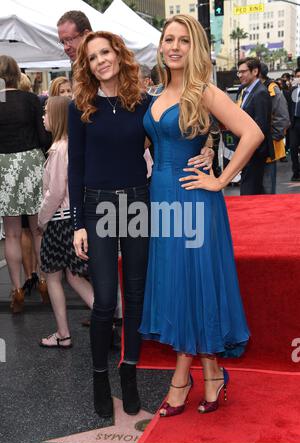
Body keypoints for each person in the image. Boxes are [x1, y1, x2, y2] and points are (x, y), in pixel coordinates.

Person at [68, 31, 213, 419]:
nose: (100, 60)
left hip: (137, 202)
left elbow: (181, 130)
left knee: (135, 297)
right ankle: (100, 377)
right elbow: (75, 167)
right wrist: (78, 223)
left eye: (105, 52)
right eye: (92, 56)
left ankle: (129, 373)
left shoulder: (142, 104)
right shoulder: (79, 105)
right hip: (97, 206)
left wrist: (209, 147)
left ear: (119, 54)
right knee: (103, 300)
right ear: (87, 64)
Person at [139, 15, 263, 417]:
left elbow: (252, 133)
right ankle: (210, 374)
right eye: (168, 39)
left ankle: (183, 378)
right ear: (161, 46)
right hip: (161, 201)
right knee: (179, 284)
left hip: (194, 199)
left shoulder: (203, 90)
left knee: (193, 282)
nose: (174, 46)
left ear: (195, 49)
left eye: (184, 41)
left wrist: (221, 180)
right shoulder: (154, 94)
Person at [38, 96, 94, 348]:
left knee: (52, 275)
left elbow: (56, 191)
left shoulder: (59, 149)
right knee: (73, 275)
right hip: (69, 219)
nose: (42, 117)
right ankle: (112, 316)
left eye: (46, 112)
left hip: (59, 220)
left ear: (58, 117)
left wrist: (41, 218)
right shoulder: (68, 146)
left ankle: (63, 332)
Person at [0, 55, 48, 312]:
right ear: (17, 74)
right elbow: (43, 136)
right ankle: (43, 280)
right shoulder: (31, 100)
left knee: (12, 234)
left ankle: (17, 289)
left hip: (3, 166)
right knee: (38, 228)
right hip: (31, 162)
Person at [236, 58, 274, 195]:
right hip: (247, 151)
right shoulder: (245, 91)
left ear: (255, 71)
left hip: (254, 152)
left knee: (249, 192)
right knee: (252, 190)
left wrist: (248, 151)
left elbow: (261, 126)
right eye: (238, 72)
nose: (240, 75)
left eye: (243, 72)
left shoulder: (261, 93)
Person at [260, 63, 290, 194]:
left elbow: (283, 117)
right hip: (254, 147)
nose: (241, 75)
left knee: (267, 188)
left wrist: (273, 137)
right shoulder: (249, 89)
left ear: (256, 72)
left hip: (268, 146)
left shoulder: (272, 89)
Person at [289, 68, 300, 181]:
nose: (298, 78)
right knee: (293, 148)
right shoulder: (293, 89)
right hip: (294, 123)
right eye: (297, 76)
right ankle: (296, 172)